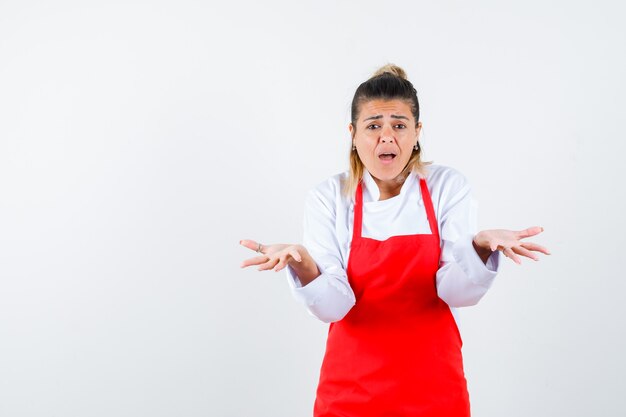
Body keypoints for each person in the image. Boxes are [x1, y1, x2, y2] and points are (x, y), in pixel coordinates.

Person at [239, 64, 550, 417]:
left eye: (399, 125)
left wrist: (478, 247)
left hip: (435, 392)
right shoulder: (329, 197)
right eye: (374, 126)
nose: (387, 137)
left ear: (417, 132)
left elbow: (456, 293)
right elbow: (334, 307)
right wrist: (304, 265)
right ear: (353, 134)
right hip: (350, 394)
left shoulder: (446, 187)